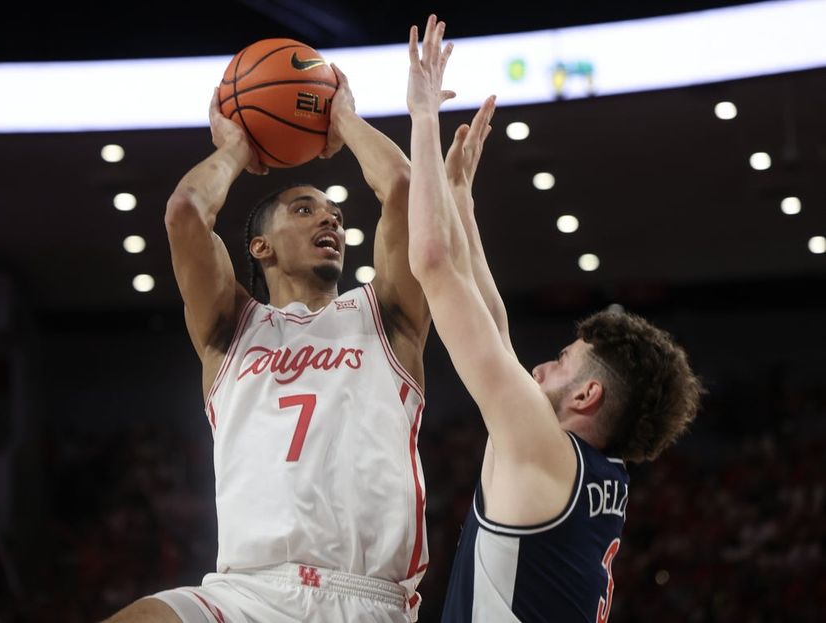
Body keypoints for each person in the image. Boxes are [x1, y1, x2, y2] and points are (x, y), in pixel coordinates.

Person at [104, 60, 431, 622]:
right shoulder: (230, 329)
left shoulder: (388, 317)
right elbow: (185, 212)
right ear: (260, 248)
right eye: (304, 210)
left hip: (364, 597)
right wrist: (236, 148)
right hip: (245, 594)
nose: (329, 220)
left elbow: (403, 186)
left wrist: (344, 120)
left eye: (335, 214)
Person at [406, 15, 703, 622]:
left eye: (564, 361)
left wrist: (422, 117)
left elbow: (433, 265)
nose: (540, 366)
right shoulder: (596, 473)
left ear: (588, 394)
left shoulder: (542, 446)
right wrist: (461, 204)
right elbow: (493, 326)